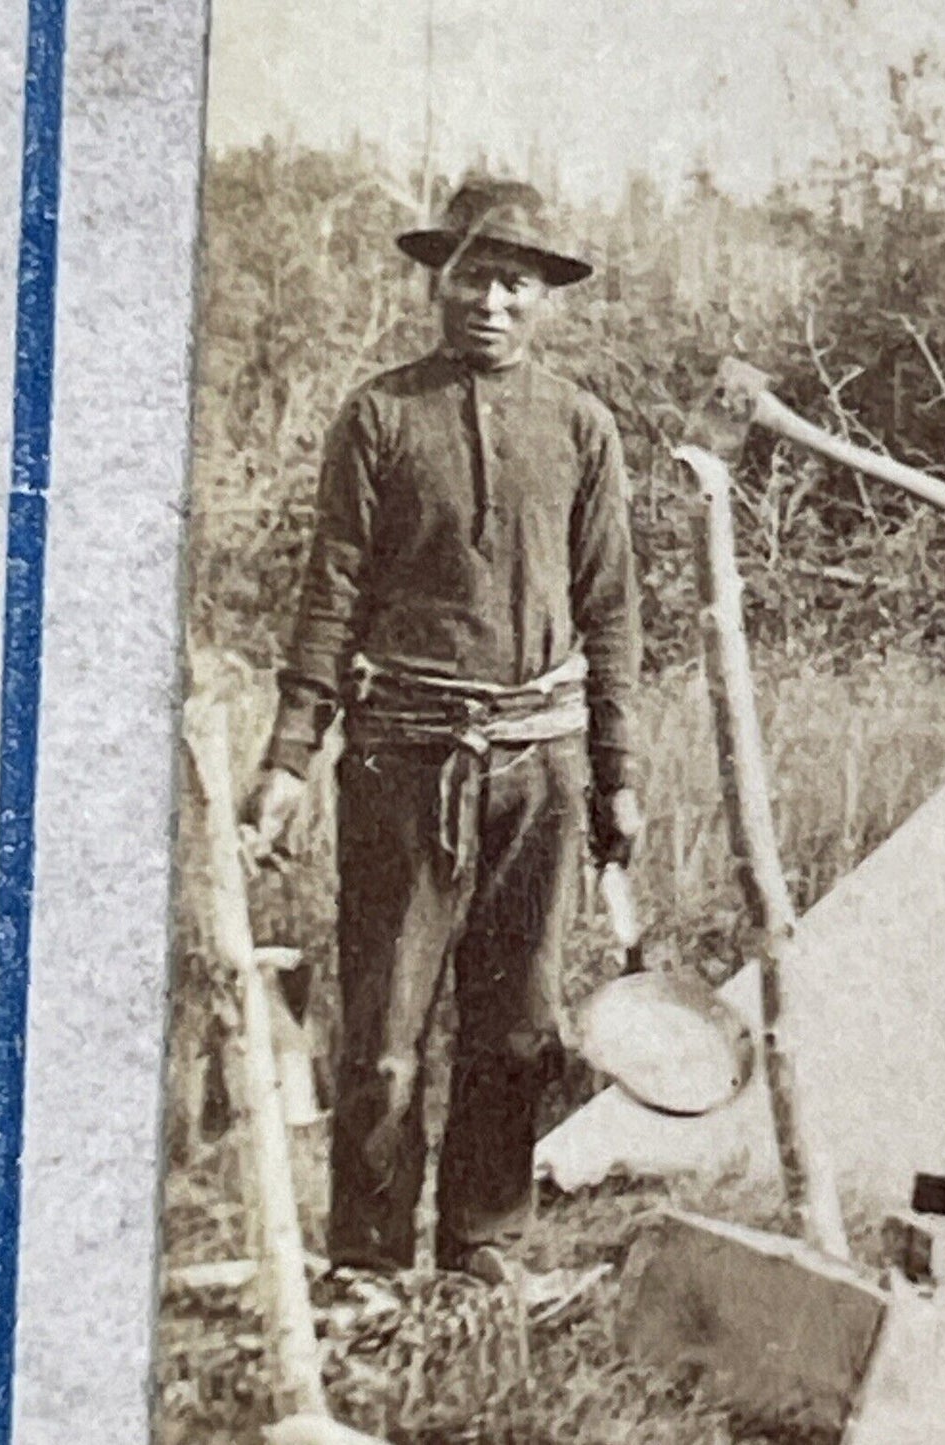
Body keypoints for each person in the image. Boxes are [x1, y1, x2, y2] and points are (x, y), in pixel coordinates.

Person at [243, 176, 642, 1277]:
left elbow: (610, 609)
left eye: (514, 281)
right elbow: (329, 592)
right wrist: (289, 755)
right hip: (399, 757)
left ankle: (483, 1248)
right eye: (471, 275)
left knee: (514, 1029)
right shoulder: (378, 415)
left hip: (541, 763)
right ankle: (367, 1264)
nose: (490, 300)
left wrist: (617, 772)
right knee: (380, 1038)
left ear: (542, 297)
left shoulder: (580, 425)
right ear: (439, 283)